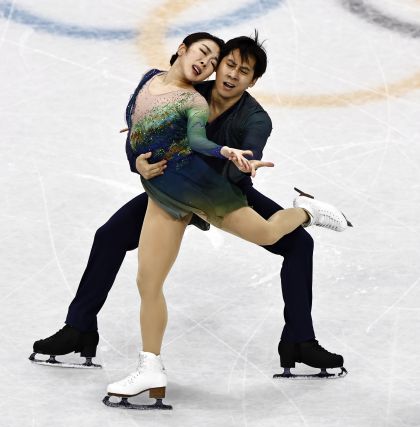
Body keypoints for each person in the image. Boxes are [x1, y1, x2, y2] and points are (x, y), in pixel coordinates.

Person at [32, 33, 348, 393]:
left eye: (243, 72)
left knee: (299, 244)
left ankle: (299, 340)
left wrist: (243, 162)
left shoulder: (256, 119)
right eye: (228, 64)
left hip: (225, 191)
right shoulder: (191, 89)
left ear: (253, 81)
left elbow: (246, 156)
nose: (232, 74)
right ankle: (79, 328)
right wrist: (138, 161)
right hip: (176, 188)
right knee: (109, 237)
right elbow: (147, 128)